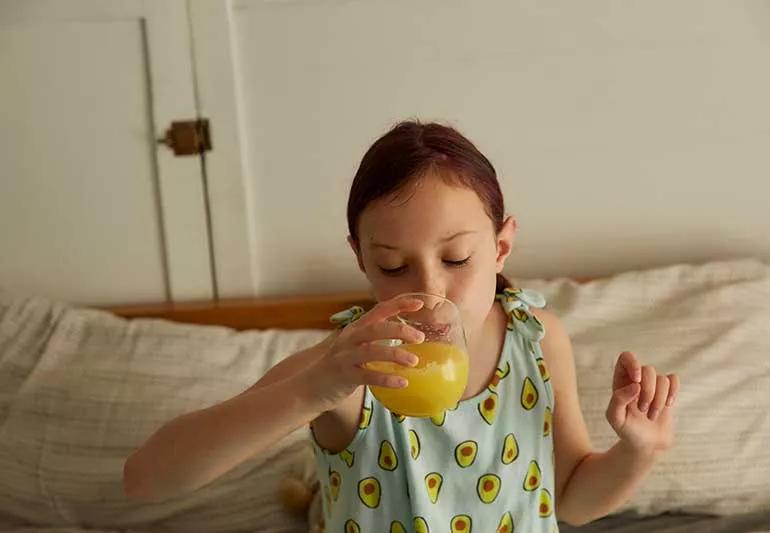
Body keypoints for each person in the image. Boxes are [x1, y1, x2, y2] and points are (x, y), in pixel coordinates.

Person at [124, 120, 679, 531]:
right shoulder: (347, 368)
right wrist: (312, 390)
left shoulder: (537, 340)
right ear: (362, 260)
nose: (430, 290)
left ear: (502, 245)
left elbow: (571, 500)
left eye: (457, 259)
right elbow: (146, 479)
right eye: (393, 266)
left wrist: (636, 451)